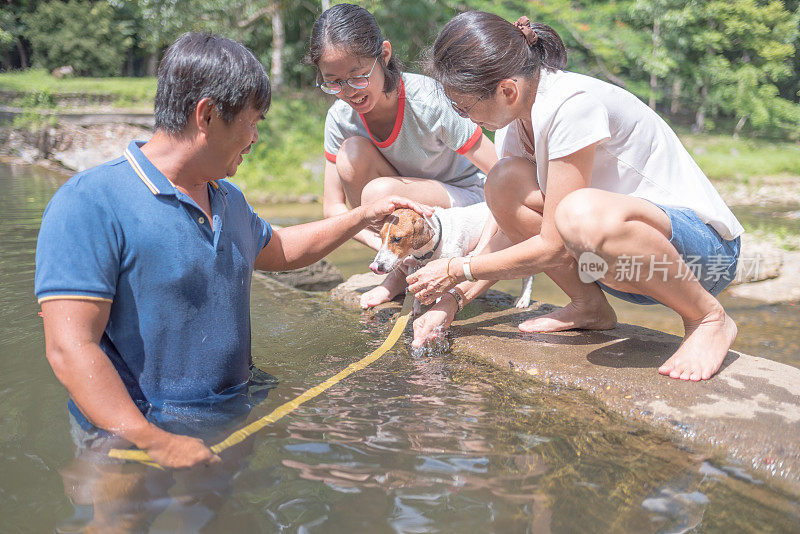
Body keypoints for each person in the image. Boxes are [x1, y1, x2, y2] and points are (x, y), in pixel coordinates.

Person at [35, 32, 428, 471]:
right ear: (207, 115)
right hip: (127, 433)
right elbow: (71, 348)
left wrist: (361, 216)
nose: (257, 136)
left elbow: (278, 250)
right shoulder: (89, 203)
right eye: (252, 120)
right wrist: (153, 440)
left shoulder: (226, 198)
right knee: (119, 522)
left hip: (228, 415)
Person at [406, 12, 744, 382]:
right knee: (503, 183)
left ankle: (707, 318)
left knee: (578, 214)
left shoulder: (571, 105)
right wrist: (451, 300)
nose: (465, 118)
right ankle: (589, 307)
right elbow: (507, 229)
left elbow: (551, 244)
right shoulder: (513, 123)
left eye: (464, 107)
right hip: (624, 267)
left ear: (506, 90)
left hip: (700, 255)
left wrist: (456, 268)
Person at [308, 3, 498, 308]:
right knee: (351, 154)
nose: (348, 91)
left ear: (384, 55)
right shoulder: (341, 118)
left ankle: (400, 274)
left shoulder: (428, 101)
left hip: (464, 204)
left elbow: (500, 173)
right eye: (333, 82)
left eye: (358, 76)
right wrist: (391, 253)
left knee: (379, 192)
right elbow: (334, 209)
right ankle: (397, 276)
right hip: (408, 228)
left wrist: (480, 258)